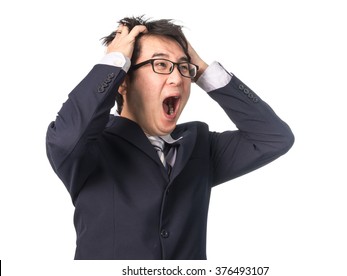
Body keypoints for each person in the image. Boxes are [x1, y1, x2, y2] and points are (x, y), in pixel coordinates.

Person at [46, 16, 294, 260]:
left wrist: (203, 70)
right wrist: (113, 63)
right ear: (123, 81)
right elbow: (65, 138)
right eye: (161, 65)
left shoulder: (200, 147)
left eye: (184, 67)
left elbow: (274, 137)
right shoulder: (90, 147)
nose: (178, 78)